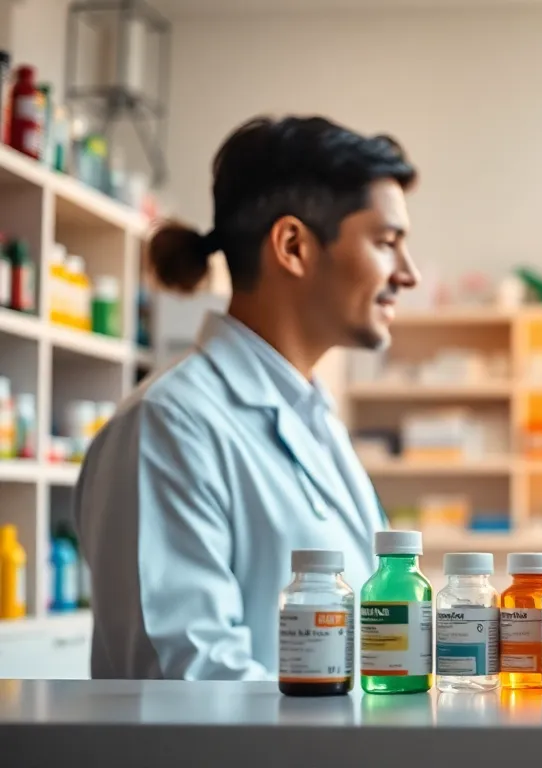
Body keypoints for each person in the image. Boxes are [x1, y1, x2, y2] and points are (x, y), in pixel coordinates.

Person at [74, 116, 420, 680]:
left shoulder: (316, 418)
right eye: (386, 243)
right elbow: (189, 683)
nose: (409, 274)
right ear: (293, 246)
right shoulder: (168, 425)